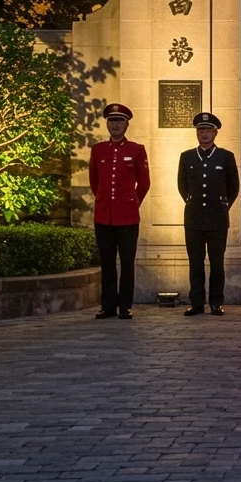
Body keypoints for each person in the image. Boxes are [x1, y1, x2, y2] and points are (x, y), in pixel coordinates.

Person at [89, 103, 150, 320]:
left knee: (126, 262)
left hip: (128, 217)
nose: (115, 125)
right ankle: (107, 306)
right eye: (112, 121)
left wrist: (131, 202)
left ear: (126, 125)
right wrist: (105, 200)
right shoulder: (98, 150)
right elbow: (94, 181)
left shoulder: (136, 150)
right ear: (107, 124)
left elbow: (143, 184)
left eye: (119, 121)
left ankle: (125, 305)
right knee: (107, 262)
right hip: (104, 216)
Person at [178, 112, 240, 317]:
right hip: (194, 218)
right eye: (200, 130)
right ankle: (196, 302)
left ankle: (216, 301)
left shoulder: (226, 156)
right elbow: (182, 186)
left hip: (217, 218)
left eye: (207, 131)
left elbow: (233, 187)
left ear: (215, 133)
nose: (204, 134)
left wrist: (222, 206)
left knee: (216, 262)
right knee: (195, 262)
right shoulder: (186, 157)